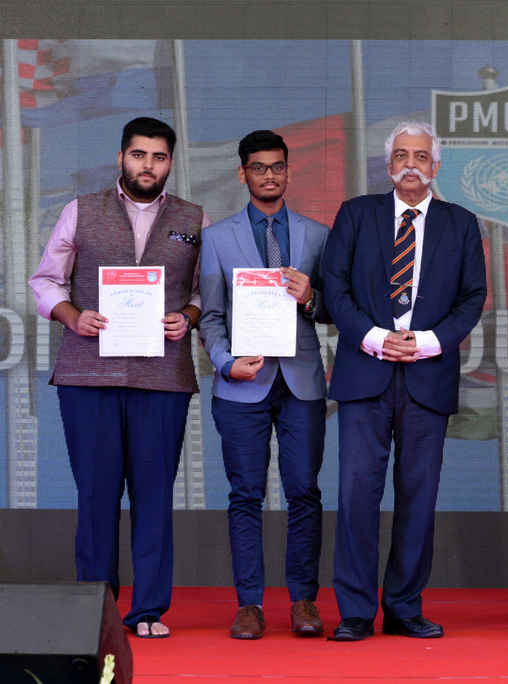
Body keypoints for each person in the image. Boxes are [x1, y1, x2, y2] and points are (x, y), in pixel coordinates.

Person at [29, 117, 210, 638]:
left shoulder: (194, 218)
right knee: (96, 496)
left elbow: (206, 292)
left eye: (158, 157)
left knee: (154, 497)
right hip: (88, 373)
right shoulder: (80, 210)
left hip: (162, 375)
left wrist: (189, 316)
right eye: (139, 155)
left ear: (170, 163)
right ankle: (97, 611)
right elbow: (46, 280)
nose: (147, 165)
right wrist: (71, 316)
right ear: (121, 157)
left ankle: (148, 609)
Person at [321, 122, 486, 641]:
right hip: (364, 372)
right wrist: (374, 337)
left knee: (419, 496)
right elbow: (334, 286)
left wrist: (428, 342)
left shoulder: (461, 223)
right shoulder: (356, 213)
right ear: (388, 164)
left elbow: (472, 298)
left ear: (435, 166)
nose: (410, 164)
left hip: (427, 375)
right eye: (400, 155)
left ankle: (404, 607)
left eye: (420, 156)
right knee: (356, 495)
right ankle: (354, 611)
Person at [198, 130, 331, 639]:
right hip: (242, 384)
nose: (269, 175)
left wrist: (311, 297)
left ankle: (303, 601)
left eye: (277, 167)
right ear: (243, 174)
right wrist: (225, 362)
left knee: (305, 493)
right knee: (245, 495)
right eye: (259, 167)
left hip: (301, 382)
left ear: (288, 172)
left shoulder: (317, 235)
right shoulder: (217, 238)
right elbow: (211, 316)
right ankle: (249, 605)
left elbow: (332, 310)